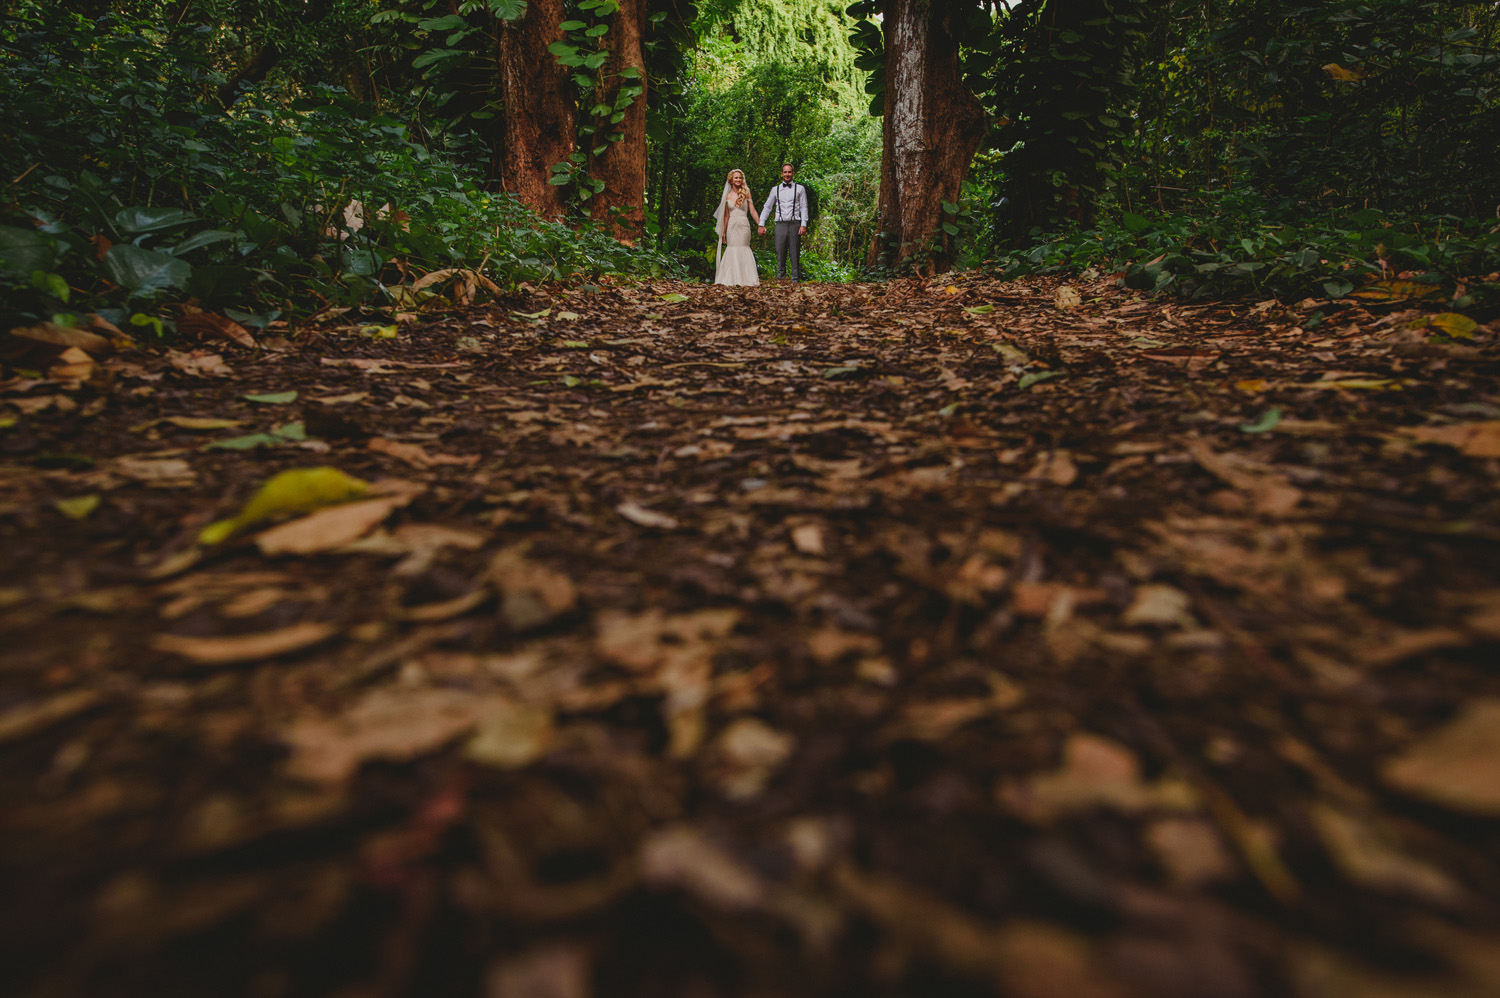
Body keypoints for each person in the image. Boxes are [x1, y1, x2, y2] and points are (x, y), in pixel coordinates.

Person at [758, 163, 808, 282]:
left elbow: (804, 207)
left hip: (795, 223)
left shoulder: (800, 189)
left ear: (793, 173)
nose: (787, 174)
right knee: (780, 252)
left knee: (794, 253)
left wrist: (803, 224)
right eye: (785, 172)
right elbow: (767, 207)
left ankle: (795, 280)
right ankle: (781, 279)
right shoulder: (775, 190)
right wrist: (761, 223)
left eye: (789, 172)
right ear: (781, 174)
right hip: (780, 224)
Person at [713, 168, 761, 286]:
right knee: (732, 249)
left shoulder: (746, 192)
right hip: (731, 227)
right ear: (731, 180)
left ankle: (746, 279)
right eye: (736, 178)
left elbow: (753, 210)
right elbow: (726, 216)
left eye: (740, 177)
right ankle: (731, 279)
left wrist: (760, 224)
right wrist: (723, 232)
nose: (738, 180)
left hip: (743, 225)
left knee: (743, 248)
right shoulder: (727, 196)